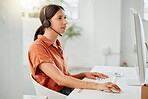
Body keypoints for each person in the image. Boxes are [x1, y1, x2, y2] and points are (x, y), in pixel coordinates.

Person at [28, 4, 121, 96]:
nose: (65, 22)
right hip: (58, 95)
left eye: (65, 17)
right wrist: (97, 85)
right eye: (59, 18)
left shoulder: (56, 44)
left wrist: (83, 74)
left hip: (66, 90)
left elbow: (65, 78)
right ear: (46, 23)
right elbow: (59, 79)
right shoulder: (37, 47)